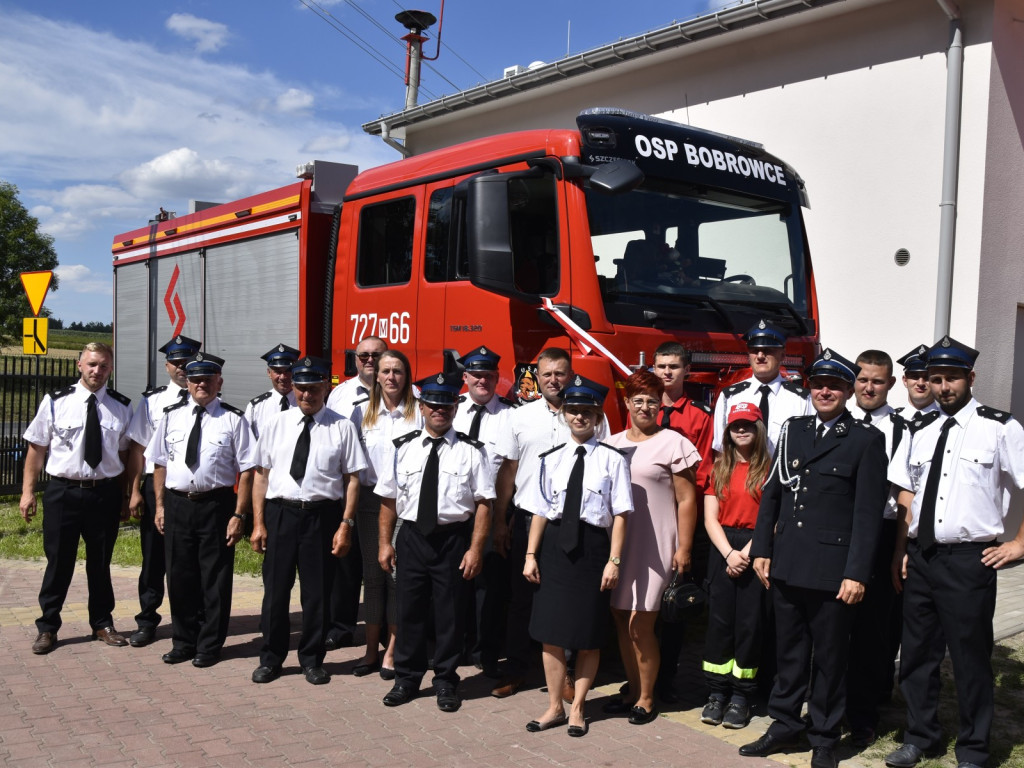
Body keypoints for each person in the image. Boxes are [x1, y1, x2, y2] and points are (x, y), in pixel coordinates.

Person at [740, 349, 887, 768]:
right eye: (819, 384)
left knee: (829, 657)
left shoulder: (865, 440)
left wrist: (857, 572)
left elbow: (867, 515)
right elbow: (773, 493)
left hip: (832, 570)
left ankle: (824, 736)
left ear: (847, 392)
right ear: (810, 388)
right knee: (787, 651)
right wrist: (763, 550)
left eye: (836, 386)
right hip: (787, 561)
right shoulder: (792, 429)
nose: (826, 391)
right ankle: (784, 723)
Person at [885, 336, 1024, 768]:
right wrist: (899, 552)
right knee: (917, 656)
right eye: (937, 378)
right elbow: (907, 493)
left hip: (969, 561)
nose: (943, 387)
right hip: (921, 558)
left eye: (952, 378)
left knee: (969, 659)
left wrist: (1020, 543)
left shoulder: (1000, 427)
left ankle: (974, 749)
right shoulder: (919, 430)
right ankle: (921, 736)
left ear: (971, 378)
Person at [376, 371, 494, 713]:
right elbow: (387, 500)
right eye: (433, 405)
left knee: (450, 614)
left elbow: (485, 504)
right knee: (409, 610)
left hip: (452, 540)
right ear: (422, 407)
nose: (439, 410)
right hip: (412, 537)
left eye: (446, 405)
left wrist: (475, 549)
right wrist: (385, 543)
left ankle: (445, 680)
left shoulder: (473, 451)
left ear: (455, 408)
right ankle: (407, 679)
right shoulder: (403, 448)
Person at [522, 375, 631, 737]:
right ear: (564, 415)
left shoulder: (613, 460)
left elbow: (619, 516)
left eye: (587, 411)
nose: (579, 417)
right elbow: (539, 510)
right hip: (554, 547)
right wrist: (531, 554)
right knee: (550, 633)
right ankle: (554, 705)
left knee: (588, 633)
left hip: (592, 550)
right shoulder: (550, 459)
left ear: (598, 416)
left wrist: (613, 562)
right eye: (573, 411)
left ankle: (579, 707)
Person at [492, 348, 604, 699]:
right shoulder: (520, 417)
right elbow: (507, 471)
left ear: (570, 375)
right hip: (527, 519)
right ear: (536, 378)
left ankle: (567, 675)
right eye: (547, 374)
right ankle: (515, 670)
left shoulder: (589, 415)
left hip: (572, 525)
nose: (554, 380)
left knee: (567, 601)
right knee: (520, 598)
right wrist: (500, 519)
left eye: (560, 373)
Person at [249, 356, 367, 685]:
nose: (306, 395)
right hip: (281, 513)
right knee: (275, 591)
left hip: (322, 517)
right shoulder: (275, 424)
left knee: (317, 594)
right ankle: (271, 658)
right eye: (301, 388)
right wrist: (258, 523)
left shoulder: (342, 427)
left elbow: (353, 479)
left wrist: (346, 524)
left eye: (313, 389)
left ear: (324, 389)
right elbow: (261, 475)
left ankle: (312, 659)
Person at [21, 342, 133, 654]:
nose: (97, 371)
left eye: (104, 366)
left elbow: (124, 455)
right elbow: (36, 448)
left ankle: (102, 623)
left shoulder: (122, 406)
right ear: (79, 365)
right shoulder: (56, 402)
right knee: (59, 563)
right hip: (63, 493)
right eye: (92, 364)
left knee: (101, 563)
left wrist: (124, 497)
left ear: (110, 369)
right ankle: (48, 627)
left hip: (104, 494)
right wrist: (28, 492)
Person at [147, 352, 255, 668]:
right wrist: (161, 506)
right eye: (195, 379)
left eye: (208, 379)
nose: (201, 384)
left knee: (215, 578)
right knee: (179, 576)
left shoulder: (234, 419)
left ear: (219, 381)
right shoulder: (170, 416)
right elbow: (159, 464)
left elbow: (248, 470)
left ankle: (209, 644)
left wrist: (239, 514)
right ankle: (183, 641)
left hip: (216, 506)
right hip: (178, 504)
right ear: (188, 383)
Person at [604, 370, 699, 725]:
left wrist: (684, 547)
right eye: (639, 399)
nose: (645, 406)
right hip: (620, 545)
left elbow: (688, 499)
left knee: (640, 625)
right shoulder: (611, 444)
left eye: (652, 401)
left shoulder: (672, 442)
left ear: (661, 405)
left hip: (658, 543)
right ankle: (631, 688)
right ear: (626, 402)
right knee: (619, 616)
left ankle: (647, 696)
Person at [347, 349, 423, 677]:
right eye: (386, 371)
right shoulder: (360, 413)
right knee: (372, 577)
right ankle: (369, 651)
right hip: (369, 502)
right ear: (375, 376)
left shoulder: (419, 412)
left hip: (405, 505)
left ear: (406, 377)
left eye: (398, 371)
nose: (391, 377)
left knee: (396, 577)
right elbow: (350, 465)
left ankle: (392, 649)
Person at [124, 334, 202, 648]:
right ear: (167, 365)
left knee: (189, 560)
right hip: (156, 486)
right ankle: (147, 620)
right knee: (153, 560)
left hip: (190, 490)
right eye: (177, 363)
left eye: (188, 362)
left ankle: (193, 620)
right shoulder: (152, 401)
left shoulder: (206, 395)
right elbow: (137, 449)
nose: (183, 368)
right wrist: (134, 491)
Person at [846, 349, 906, 748]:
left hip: (881, 534)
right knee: (832, 630)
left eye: (878, 381)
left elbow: (905, 493)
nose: (869, 387)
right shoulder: (836, 420)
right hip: (835, 533)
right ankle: (827, 708)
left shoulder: (902, 428)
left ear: (891, 384)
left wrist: (899, 549)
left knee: (871, 631)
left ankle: (864, 716)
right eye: (863, 379)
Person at [700, 402, 770, 730]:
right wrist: (729, 553)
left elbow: (772, 518)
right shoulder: (719, 468)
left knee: (750, 625)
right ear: (727, 432)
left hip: (756, 548)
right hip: (723, 549)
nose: (741, 431)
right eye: (735, 426)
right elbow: (709, 518)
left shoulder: (770, 468)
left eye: (748, 425)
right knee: (720, 622)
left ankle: (742, 697)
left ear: (759, 429)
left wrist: (746, 553)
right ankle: (716, 693)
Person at [652, 340, 713, 702]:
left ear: (686, 370)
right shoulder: (641, 409)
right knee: (643, 602)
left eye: (674, 366)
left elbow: (703, 471)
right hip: (646, 516)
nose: (667, 372)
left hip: (681, 516)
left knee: (673, 603)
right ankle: (641, 677)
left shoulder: (699, 416)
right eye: (661, 366)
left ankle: (667, 680)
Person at [452, 345, 515, 678]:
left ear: (496, 378)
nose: (482, 381)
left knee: (487, 587)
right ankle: (454, 645)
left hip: (489, 511)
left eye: (489, 376)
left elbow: (510, 468)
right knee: (453, 582)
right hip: (454, 510)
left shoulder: (509, 414)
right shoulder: (451, 408)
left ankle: (484, 649)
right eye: (476, 375)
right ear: (465, 377)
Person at [713, 319, 812, 455]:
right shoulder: (729, 396)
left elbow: (808, 448)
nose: (760, 356)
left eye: (767, 350)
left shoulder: (802, 399)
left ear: (782, 355)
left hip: (783, 475)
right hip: (742, 474)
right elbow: (721, 451)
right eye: (755, 350)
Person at [244, 344, 300, 439]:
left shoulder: (305, 404)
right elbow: (248, 446)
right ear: (269, 373)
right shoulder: (255, 407)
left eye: (287, 371)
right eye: (277, 371)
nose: (283, 377)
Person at [327, 335, 387, 418]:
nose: (370, 360)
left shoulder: (404, 392)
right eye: (364, 355)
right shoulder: (338, 394)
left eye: (376, 355)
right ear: (355, 360)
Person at [896, 345, 941, 417]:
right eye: (915, 377)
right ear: (905, 381)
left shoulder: (947, 421)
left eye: (927, 377)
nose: (920, 383)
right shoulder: (888, 421)